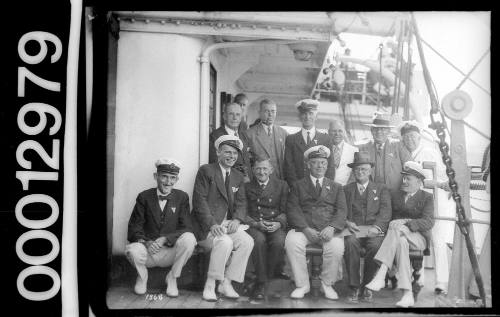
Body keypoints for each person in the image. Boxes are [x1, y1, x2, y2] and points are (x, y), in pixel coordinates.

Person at [192, 135, 254, 301]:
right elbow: (199, 202)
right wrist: (212, 224)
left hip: (227, 225)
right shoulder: (206, 171)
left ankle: (226, 282)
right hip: (206, 226)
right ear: (218, 152)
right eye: (227, 152)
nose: (231, 156)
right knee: (224, 242)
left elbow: (241, 203)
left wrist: (237, 220)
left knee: (247, 241)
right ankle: (211, 283)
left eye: (234, 153)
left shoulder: (238, 176)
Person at [365, 161, 434, 308]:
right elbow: (389, 217)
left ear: (419, 181)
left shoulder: (427, 197)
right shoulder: (395, 195)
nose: (404, 181)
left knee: (397, 228)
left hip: (418, 237)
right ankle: (407, 293)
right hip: (398, 238)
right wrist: (398, 225)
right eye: (404, 178)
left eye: (408, 178)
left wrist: (406, 222)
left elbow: (428, 222)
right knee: (401, 241)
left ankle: (382, 272)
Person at [126, 158, 197, 297]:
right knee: (132, 250)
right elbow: (134, 228)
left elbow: (187, 227)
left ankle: (172, 278)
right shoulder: (144, 197)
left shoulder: (182, 197)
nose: (168, 182)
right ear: (156, 176)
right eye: (164, 176)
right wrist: (147, 242)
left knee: (190, 239)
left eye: (172, 178)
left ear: (177, 179)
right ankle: (142, 277)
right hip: (148, 252)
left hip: (170, 252)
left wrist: (165, 239)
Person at [285, 145, 347, 300]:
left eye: (323, 163)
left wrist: (332, 227)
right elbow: (292, 209)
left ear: (327, 166)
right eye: (315, 162)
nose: (320, 166)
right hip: (305, 228)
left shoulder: (336, 187)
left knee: (337, 246)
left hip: (327, 229)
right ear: (308, 165)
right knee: (292, 242)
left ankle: (327, 284)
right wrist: (305, 229)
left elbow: (341, 211)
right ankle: (302, 284)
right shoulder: (298, 185)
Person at [399, 121, 454, 293]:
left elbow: (443, 174)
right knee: (416, 239)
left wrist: (444, 183)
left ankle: (441, 282)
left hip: (432, 202)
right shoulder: (403, 154)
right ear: (403, 139)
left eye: (413, 136)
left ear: (419, 137)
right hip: (414, 202)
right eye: (406, 137)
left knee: (437, 240)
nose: (410, 140)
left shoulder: (428, 152)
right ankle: (419, 278)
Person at [343, 151, 392, 302]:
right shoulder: (346, 189)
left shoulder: (381, 188)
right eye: (357, 169)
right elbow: (340, 211)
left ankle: (367, 285)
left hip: (373, 230)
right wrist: (346, 222)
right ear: (353, 171)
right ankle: (354, 287)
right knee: (350, 243)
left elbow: (386, 212)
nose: (360, 172)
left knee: (376, 246)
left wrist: (377, 228)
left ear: (370, 171)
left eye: (364, 169)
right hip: (354, 229)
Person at [244, 158, 289, 299]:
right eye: (258, 168)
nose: (261, 172)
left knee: (278, 242)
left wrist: (279, 223)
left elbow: (287, 209)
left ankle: (262, 279)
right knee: (258, 241)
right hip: (255, 224)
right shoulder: (246, 187)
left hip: (274, 223)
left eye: (264, 168)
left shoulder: (281, 185)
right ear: (253, 170)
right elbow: (241, 211)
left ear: (271, 170)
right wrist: (255, 223)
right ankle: (261, 283)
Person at [284, 99, 334, 186]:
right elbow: (289, 167)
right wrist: (296, 187)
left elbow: (330, 167)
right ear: (299, 116)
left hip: (320, 188)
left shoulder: (325, 139)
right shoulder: (291, 139)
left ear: (316, 116)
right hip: (298, 188)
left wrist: (325, 188)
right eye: (304, 114)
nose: (307, 117)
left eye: (311, 113)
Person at [357, 112, 410, 190]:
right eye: (376, 129)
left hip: (394, 194)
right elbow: (357, 172)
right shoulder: (364, 148)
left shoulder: (398, 146)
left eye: (383, 129)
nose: (379, 132)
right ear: (371, 131)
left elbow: (410, 168)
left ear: (388, 131)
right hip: (371, 194)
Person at [244, 99, 288, 180]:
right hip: (259, 180)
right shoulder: (249, 134)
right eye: (266, 111)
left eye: (273, 111)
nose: (270, 114)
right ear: (259, 113)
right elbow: (245, 161)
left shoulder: (283, 133)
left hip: (280, 181)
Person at [209, 102, 251, 182]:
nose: (235, 118)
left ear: (241, 117)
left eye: (238, 114)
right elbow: (215, 162)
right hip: (227, 181)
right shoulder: (216, 136)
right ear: (224, 116)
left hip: (245, 183)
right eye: (231, 114)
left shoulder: (244, 135)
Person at [328, 119, 359, 185]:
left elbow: (355, 173)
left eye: (340, 131)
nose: (337, 134)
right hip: (325, 189)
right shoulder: (324, 149)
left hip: (345, 190)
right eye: (334, 131)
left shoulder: (354, 151)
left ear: (344, 132)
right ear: (328, 132)